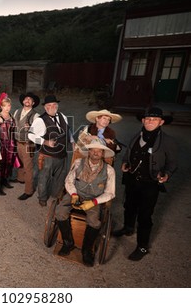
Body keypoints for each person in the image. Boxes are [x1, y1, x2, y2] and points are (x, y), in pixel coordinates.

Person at [112, 107, 177, 261]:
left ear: (161, 122)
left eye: (154, 119)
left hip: (150, 184)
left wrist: (167, 174)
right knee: (129, 206)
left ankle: (142, 246)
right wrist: (125, 163)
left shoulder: (167, 141)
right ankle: (128, 228)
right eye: (147, 119)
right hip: (132, 180)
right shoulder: (136, 136)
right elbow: (128, 155)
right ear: (143, 120)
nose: (150, 122)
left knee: (145, 215)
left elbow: (173, 163)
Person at [55, 139, 116, 267]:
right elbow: (69, 180)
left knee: (94, 221)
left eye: (99, 151)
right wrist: (73, 194)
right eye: (93, 150)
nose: (96, 153)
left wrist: (94, 202)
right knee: (60, 211)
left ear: (103, 153)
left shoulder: (109, 170)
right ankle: (68, 242)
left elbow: (110, 193)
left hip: (93, 199)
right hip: (76, 194)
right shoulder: (78, 163)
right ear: (89, 151)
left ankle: (87, 250)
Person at [29, 95, 74, 206]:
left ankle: (55, 195)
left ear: (57, 106)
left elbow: (68, 130)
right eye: (49, 105)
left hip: (62, 154)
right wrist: (45, 142)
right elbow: (30, 135)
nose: (52, 107)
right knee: (44, 178)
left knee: (60, 177)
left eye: (54, 104)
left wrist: (72, 141)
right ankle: (42, 198)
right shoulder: (40, 120)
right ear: (45, 107)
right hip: (47, 156)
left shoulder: (62, 116)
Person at [13, 92, 40, 200]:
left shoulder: (36, 115)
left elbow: (39, 131)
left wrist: (31, 128)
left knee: (28, 167)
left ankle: (28, 191)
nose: (27, 100)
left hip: (28, 144)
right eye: (26, 99)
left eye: (30, 99)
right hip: (17, 141)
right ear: (23, 101)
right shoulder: (17, 111)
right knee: (20, 162)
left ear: (33, 103)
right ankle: (20, 179)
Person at [0, 93, 17, 195]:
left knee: (8, 162)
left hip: (10, 142)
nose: (7, 108)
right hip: (1, 143)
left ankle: (4, 180)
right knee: (0, 163)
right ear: (1, 106)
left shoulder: (11, 116)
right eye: (5, 106)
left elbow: (13, 129)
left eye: (9, 106)